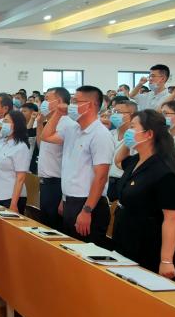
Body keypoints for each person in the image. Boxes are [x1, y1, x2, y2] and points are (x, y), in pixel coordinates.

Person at [112, 110, 175, 276]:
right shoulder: (136, 160)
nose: (129, 131)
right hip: (125, 233)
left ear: (149, 134)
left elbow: (171, 219)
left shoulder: (165, 171)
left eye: (133, 127)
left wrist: (166, 260)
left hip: (147, 241)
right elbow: (118, 161)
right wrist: (128, 143)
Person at [41, 85, 112, 243]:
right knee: (69, 248)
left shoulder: (100, 134)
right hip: (70, 200)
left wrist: (87, 210)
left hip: (88, 203)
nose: (70, 105)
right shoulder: (73, 128)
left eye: (75, 101)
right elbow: (46, 136)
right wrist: (58, 113)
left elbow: (101, 177)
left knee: (85, 251)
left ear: (90, 105)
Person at [36, 87, 71, 229]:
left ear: (59, 101)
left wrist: (64, 196)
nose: (43, 103)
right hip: (45, 182)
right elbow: (41, 145)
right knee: (45, 226)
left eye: (47, 99)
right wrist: (39, 123)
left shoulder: (67, 124)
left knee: (54, 227)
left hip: (58, 183)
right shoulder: (50, 122)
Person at [0, 110, 30, 212]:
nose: (3, 124)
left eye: (6, 121)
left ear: (16, 125)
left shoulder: (21, 147)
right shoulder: (2, 142)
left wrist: (13, 204)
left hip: (11, 197)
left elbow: (21, 178)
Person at [105, 97, 136, 199]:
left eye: (118, 112)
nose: (114, 115)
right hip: (107, 181)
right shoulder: (110, 134)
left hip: (124, 181)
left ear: (131, 115)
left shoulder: (135, 137)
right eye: (114, 111)